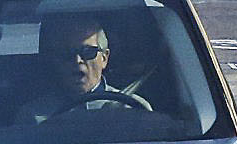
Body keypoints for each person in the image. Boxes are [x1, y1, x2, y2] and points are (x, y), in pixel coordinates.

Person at [16, 12, 147, 125]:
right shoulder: (33, 116)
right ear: (54, 61)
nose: (77, 60)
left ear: (104, 58)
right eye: (65, 53)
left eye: (87, 52)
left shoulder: (133, 108)